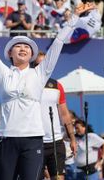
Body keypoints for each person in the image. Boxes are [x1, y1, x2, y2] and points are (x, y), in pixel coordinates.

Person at [0, 0, 94, 180]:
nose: (22, 48)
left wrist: (74, 17)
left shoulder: (40, 73)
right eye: (17, 46)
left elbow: (58, 42)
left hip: (33, 140)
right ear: (10, 53)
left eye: (26, 46)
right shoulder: (2, 72)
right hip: (7, 139)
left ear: (31, 54)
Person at [33, 51, 77, 180]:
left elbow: (64, 114)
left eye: (46, 64)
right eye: (38, 65)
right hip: (34, 142)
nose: (43, 68)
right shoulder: (26, 84)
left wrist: (72, 139)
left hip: (56, 143)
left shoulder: (57, 86)